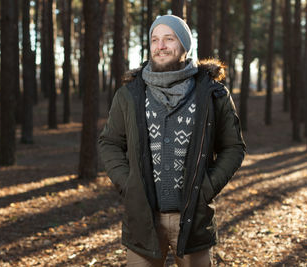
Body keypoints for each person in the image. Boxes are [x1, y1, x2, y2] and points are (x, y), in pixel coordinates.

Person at [99, 15, 246, 267]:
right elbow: (109, 142)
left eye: (169, 38)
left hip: (193, 220)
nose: (161, 46)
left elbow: (233, 147)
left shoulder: (212, 93)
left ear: (184, 46)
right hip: (144, 219)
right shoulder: (129, 94)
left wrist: (206, 188)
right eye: (155, 39)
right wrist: (129, 183)